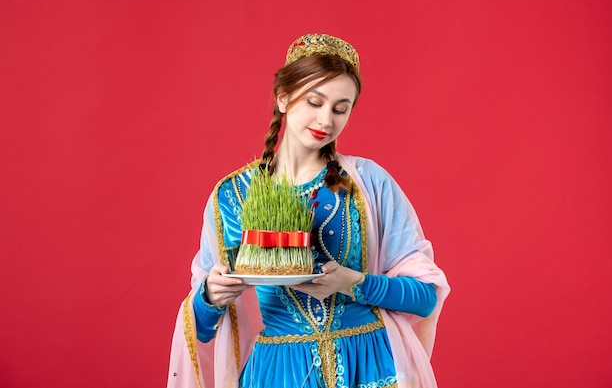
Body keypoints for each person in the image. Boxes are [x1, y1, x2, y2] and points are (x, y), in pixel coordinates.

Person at [167, 33, 450, 388]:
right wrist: (211, 295)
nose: (326, 121)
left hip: (372, 366)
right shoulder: (233, 195)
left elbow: (425, 298)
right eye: (314, 102)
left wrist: (353, 283)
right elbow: (202, 326)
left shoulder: (368, 183)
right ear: (283, 98)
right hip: (280, 373)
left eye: (340, 108)